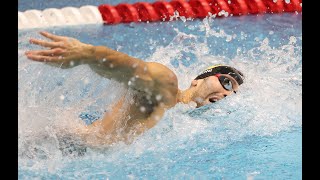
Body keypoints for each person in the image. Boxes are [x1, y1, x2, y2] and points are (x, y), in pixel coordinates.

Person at [25, 31, 244, 146]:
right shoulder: (167, 90)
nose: (227, 93)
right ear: (197, 80)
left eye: (232, 93)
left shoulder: (188, 126)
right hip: (66, 145)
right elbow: (132, 69)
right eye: (226, 82)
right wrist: (89, 54)